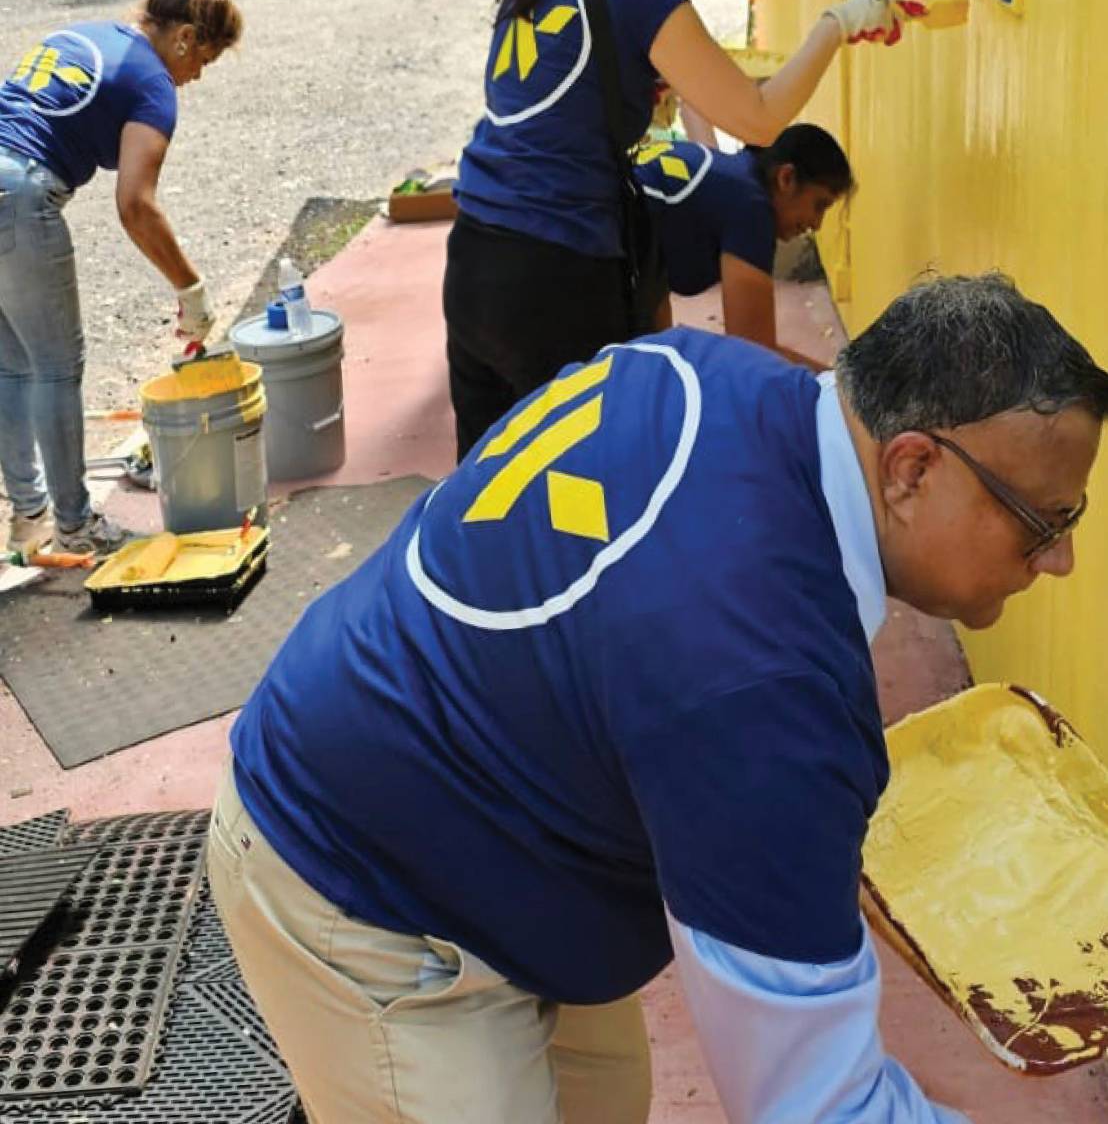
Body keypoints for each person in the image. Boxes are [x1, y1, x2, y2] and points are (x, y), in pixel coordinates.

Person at [209, 272, 1106, 1124]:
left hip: (450, 776)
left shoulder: (720, 370)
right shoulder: (762, 684)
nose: (1059, 559)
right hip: (364, 889)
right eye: (1044, 522)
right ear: (911, 470)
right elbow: (819, 1105)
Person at [443, 0, 902, 460]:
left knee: (488, 496)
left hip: (476, 261)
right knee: (588, 495)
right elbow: (759, 117)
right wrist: (839, 22)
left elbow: (551, 100)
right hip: (556, 274)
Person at [0, 0, 242, 556]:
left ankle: (29, 519)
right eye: (204, 60)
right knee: (56, 366)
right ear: (185, 38)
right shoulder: (154, 82)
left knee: (12, 365)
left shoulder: (89, 34)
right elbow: (136, 205)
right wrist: (191, 290)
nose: (198, 77)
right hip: (19, 192)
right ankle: (78, 527)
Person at [635, 122, 854, 368]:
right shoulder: (750, 206)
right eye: (819, 205)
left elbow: (652, 299)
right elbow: (751, 352)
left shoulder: (732, 180)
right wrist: (838, 388)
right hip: (595, 242)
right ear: (786, 178)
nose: (817, 224)